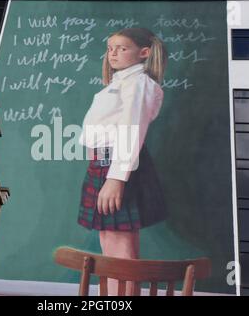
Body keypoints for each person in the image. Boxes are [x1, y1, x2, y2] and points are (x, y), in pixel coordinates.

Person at [77, 27, 169, 296]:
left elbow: (132, 129)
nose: (113, 53)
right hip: (105, 161)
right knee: (111, 243)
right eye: (110, 48)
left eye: (122, 48)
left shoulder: (138, 83)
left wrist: (116, 179)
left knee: (120, 250)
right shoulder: (120, 83)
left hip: (118, 164)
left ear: (144, 53)